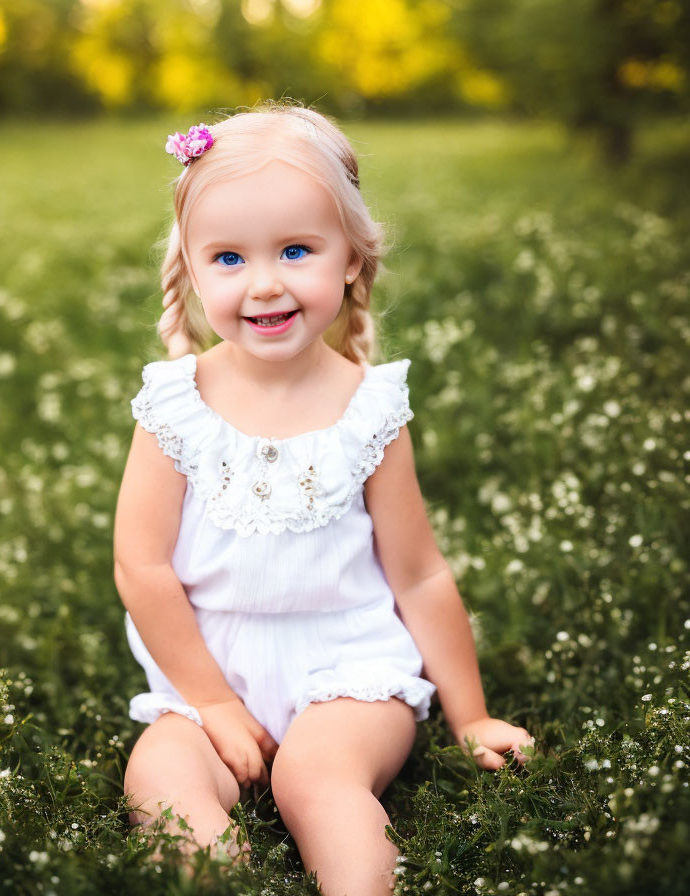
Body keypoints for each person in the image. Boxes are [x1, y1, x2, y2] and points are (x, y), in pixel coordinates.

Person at [113, 102, 534, 896]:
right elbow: (141, 567)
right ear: (194, 270)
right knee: (160, 776)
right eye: (229, 258)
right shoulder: (175, 405)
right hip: (207, 665)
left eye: (296, 250)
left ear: (350, 258)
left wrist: (470, 714)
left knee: (312, 778)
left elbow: (417, 576)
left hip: (348, 666)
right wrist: (210, 701)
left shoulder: (368, 409)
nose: (264, 282)